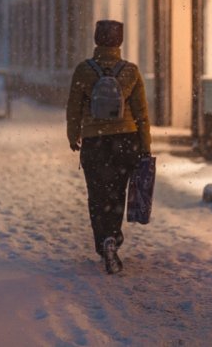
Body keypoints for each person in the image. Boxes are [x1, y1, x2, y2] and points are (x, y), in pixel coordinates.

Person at [66, 19, 151, 274]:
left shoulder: (84, 70)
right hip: (126, 140)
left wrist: (74, 135)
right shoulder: (131, 72)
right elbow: (141, 113)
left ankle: (104, 241)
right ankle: (114, 236)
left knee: (97, 194)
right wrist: (145, 145)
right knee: (117, 193)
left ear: (96, 39)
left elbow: (74, 108)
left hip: (95, 141)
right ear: (120, 41)